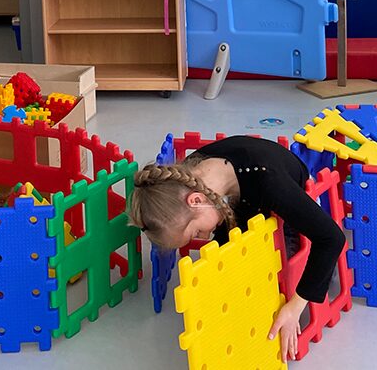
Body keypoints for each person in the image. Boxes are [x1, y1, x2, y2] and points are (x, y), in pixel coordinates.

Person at [129, 136, 346, 361]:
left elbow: (332, 239)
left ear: (195, 201)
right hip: (244, 198)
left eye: (195, 233)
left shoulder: (270, 183)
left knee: (288, 280)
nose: (202, 238)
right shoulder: (186, 179)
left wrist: (294, 308)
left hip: (284, 195)